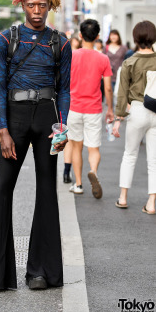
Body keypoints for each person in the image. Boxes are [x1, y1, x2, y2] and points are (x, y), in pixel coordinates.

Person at [0, 0, 71, 292]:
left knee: (46, 190)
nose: (37, 10)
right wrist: (2, 130)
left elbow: (65, 90)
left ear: (50, 6)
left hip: (47, 118)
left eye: (43, 5)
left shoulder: (61, 42)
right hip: (13, 119)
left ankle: (41, 272)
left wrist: (62, 126)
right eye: (31, 4)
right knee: (1, 188)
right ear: (22, 5)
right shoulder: (5, 40)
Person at [113, 21, 156, 214]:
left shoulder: (129, 62)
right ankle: (151, 203)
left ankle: (123, 198)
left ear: (136, 38)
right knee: (154, 161)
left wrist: (118, 118)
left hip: (137, 110)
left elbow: (122, 94)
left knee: (130, 155)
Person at [67, 19, 114, 196]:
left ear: (80, 35)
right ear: (97, 36)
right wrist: (110, 109)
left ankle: (78, 185)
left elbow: (63, 83)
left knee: (76, 146)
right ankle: (93, 171)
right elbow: (108, 87)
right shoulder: (103, 58)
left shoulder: (71, 55)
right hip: (93, 108)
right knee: (93, 147)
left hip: (74, 107)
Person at [63, 36, 81, 183]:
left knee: (67, 140)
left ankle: (66, 171)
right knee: (73, 142)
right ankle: (69, 174)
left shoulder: (67, 57)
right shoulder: (78, 57)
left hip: (68, 102)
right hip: (76, 102)